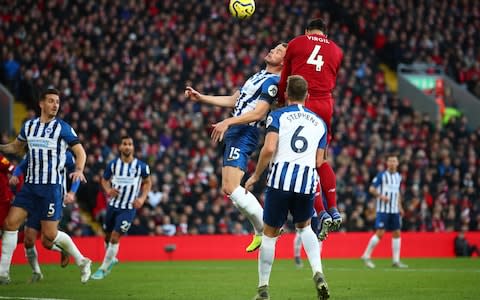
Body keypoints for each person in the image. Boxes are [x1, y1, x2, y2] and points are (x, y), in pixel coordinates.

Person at [184, 43, 287, 252]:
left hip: (245, 131)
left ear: (284, 62)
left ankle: (270, 227)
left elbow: (259, 114)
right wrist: (201, 97)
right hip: (236, 130)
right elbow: (234, 100)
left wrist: (228, 122)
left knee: (231, 187)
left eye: (278, 51)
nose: (271, 51)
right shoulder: (257, 76)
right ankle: (262, 230)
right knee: (228, 188)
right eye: (273, 48)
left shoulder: (273, 82)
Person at [245, 75, 329, 300]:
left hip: (280, 182)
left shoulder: (277, 115)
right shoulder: (321, 123)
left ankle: (263, 289)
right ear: (307, 96)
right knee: (305, 229)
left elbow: (269, 148)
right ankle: (318, 273)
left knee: (270, 235)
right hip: (306, 183)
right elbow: (320, 162)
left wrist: (255, 175)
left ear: (286, 94)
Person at [0, 88, 91, 284]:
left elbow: (80, 152)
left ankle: (82, 261)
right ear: (41, 104)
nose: (55, 105)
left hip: (51, 189)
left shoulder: (63, 128)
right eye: (51, 101)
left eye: (57, 102)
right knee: (10, 224)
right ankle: (3, 273)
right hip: (30, 187)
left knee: (49, 236)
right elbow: (16, 147)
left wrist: (79, 169)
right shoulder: (30, 126)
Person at [278, 18, 344, 240]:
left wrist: (280, 102)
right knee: (321, 160)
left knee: (303, 160)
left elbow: (285, 77)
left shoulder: (297, 43)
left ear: (306, 31)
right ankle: (333, 208)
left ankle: (322, 212)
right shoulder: (337, 50)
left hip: (303, 103)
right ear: (325, 33)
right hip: (325, 104)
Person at [9, 150, 79, 282]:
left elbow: (77, 174)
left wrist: (72, 192)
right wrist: (15, 175)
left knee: (46, 241)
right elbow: (22, 165)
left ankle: (64, 251)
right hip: (35, 200)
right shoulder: (35, 150)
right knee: (28, 240)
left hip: (52, 198)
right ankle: (37, 272)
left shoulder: (66, 155)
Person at [91, 135, 152, 280]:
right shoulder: (113, 165)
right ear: (120, 147)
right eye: (125, 144)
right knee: (106, 235)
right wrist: (108, 190)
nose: (127, 146)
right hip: (112, 206)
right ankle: (112, 259)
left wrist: (142, 199)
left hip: (128, 208)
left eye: (130, 144)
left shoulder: (141, 166)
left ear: (133, 147)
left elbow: (148, 182)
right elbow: (104, 180)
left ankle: (103, 269)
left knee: (115, 236)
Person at [361, 153, 408, 268]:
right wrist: (381, 197)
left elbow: (397, 193)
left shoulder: (398, 176)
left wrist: (400, 207)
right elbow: (371, 189)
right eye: (390, 161)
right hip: (383, 210)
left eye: (394, 161)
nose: (392, 163)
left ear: (397, 163)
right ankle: (366, 255)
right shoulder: (381, 175)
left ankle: (396, 261)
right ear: (387, 163)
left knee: (397, 232)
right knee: (380, 233)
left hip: (394, 210)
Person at [0, 154, 15, 236]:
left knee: (5, 225)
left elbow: (10, 167)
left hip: (3, 199)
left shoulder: (0, 159)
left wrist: (13, 174)